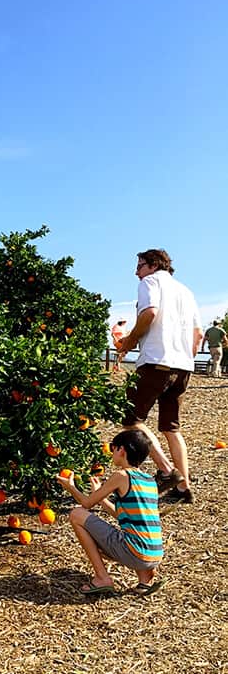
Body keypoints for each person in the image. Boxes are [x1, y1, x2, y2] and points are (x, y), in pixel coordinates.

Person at [117, 249, 203, 504]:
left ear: (153, 265)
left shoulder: (150, 282)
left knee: (132, 420)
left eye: (140, 266)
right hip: (183, 367)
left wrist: (130, 341)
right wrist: (184, 357)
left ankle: (167, 472)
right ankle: (183, 488)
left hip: (156, 362)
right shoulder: (186, 292)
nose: (137, 272)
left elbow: (150, 313)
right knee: (171, 428)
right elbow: (197, 336)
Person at [56, 429, 163, 596]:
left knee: (76, 514)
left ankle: (102, 578)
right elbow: (123, 516)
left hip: (135, 552)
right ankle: (145, 580)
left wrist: (70, 487)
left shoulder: (122, 475)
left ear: (122, 450)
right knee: (136, 533)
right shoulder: (150, 481)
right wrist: (101, 496)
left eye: (113, 447)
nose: (112, 451)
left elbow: (85, 504)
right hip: (154, 554)